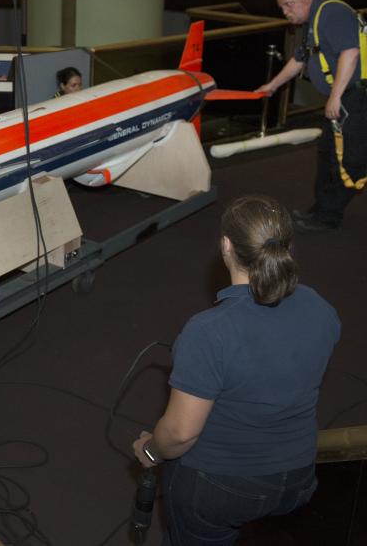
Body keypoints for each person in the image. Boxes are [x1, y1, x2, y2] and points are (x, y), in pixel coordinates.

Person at [132, 195, 340, 545]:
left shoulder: (209, 332)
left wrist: (151, 451)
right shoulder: (320, 307)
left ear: (226, 246)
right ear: (288, 245)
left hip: (220, 488)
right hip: (298, 479)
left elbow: (181, 434)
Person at [257, 0, 366, 232]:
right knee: (327, 153)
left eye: (288, 5)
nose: (285, 12)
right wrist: (272, 85)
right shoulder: (314, 20)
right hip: (344, 98)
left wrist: (336, 96)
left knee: (350, 158)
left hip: (355, 98)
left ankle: (328, 215)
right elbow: (299, 59)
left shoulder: (333, 12)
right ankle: (322, 208)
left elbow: (350, 53)